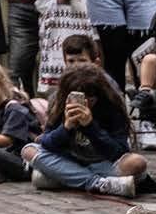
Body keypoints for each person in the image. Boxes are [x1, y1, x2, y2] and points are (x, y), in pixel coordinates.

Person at [23, 63, 147, 198]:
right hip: (70, 161)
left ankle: (65, 178)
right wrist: (66, 127)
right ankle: (98, 183)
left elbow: (119, 152)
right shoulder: (58, 103)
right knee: (28, 150)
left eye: (91, 100)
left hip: (103, 164)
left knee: (136, 163)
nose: (85, 103)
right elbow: (46, 143)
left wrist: (90, 126)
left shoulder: (112, 105)